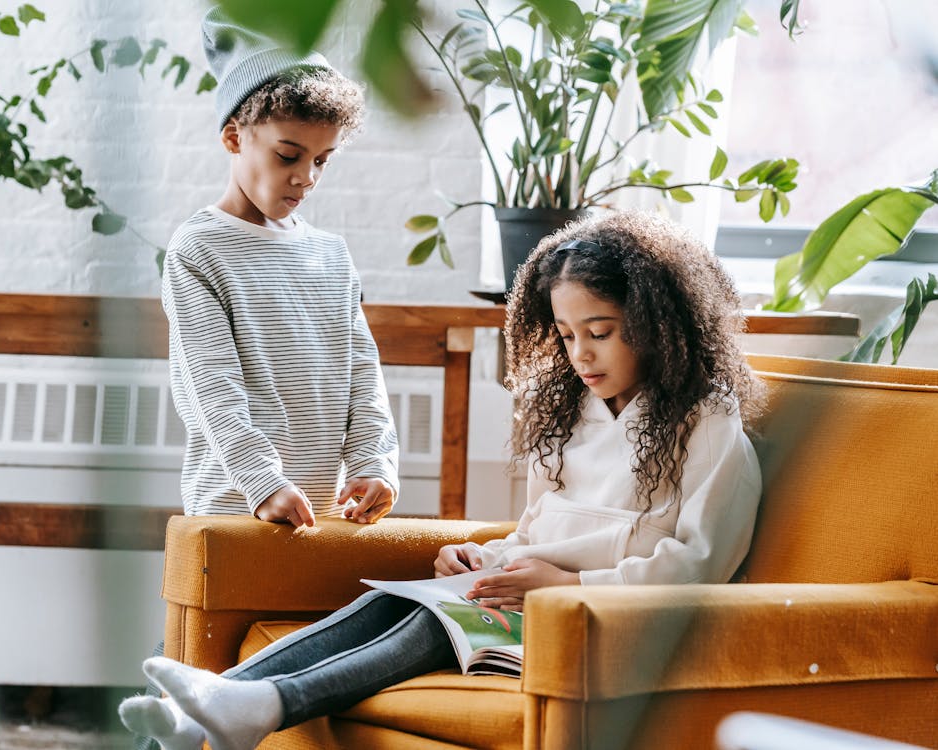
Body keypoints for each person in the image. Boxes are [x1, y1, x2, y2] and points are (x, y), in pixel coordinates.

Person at [120, 210, 765, 750]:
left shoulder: (708, 424)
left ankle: (261, 705)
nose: (581, 355)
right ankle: (207, 712)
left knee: (437, 624)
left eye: (600, 332)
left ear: (657, 325)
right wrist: (485, 556)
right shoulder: (577, 411)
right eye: (566, 336)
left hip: (604, 620)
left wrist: (569, 586)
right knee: (395, 601)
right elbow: (542, 530)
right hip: (533, 598)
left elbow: (698, 568)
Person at [164, 7, 399, 528]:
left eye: (322, 160)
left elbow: (363, 373)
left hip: (317, 513)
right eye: (288, 155)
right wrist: (263, 481)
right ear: (234, 138)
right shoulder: (199, 249)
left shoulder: (331, 255)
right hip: (234, 509)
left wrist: (372, 461)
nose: (306, 177)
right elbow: (211, 385)